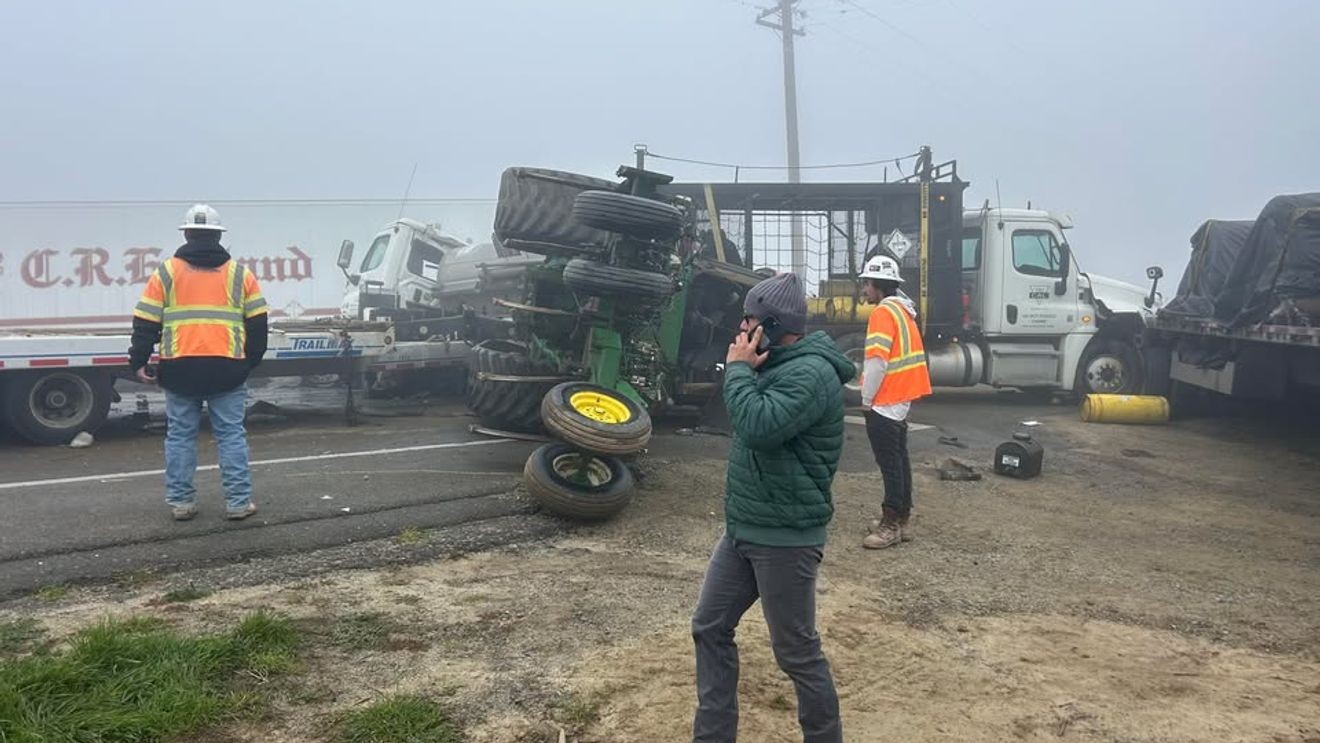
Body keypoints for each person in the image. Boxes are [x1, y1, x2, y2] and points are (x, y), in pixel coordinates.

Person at [691, 272, 854, 743]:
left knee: (796, 653)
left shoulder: (810, 373)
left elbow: (760, 425)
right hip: (743, 528)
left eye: (749, 319)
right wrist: (749, 367)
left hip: (784, 537)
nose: (741, 328)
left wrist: (739, 369)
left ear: (772, 324)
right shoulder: (773, 362)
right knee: (710, 626)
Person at [128, 204, 269, 521]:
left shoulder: (166, 272)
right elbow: (259, 324)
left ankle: (181, 503)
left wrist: (138, 360)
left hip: (179, 369)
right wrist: (249, 362)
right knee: (231, 436)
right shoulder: (240, 274)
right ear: (219, 235)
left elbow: (145, 321)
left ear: (187, 234)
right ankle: (237, 503)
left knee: (179, 436)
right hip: (227, 370)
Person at [856, 255, 932, 550]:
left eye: (866, 283)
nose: (863, 289)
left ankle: (890, 526)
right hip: (900, 397)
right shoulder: (903, 311)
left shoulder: (883, 314)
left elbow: (877, 361)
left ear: (877, 284)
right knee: (899, 460)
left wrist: (866, 399)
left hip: (886, 398)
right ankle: (901, 519)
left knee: (890, 463)